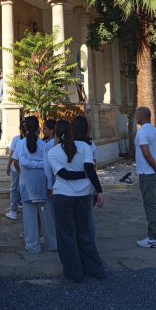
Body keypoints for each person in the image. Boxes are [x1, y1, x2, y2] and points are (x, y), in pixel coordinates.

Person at [45, 119, 105, 283]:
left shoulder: (53, 152)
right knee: (85, 233)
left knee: (66, 235)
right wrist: (99, 190)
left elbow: (64, 174)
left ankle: (74, 272)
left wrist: (81, 175)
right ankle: (94, 268)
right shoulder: (85, 147)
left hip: (63, 195)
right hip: (84, 195)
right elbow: (90, 170)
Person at [13, 116, 57, 254]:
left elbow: (22, 162)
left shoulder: (20, 144)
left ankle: (33, 245)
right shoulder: (43, 145)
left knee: (29, 216)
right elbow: (47, 166)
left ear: (25, 128)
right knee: (47, 215)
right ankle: (52, 243)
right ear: (38, 128)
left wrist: (29, 167)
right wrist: (49, 185)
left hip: (26, 180)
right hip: (41, 180)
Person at [134, 106, 156, 248]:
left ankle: (153, 238)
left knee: (151, 206)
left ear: (141, 117)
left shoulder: (141, 132)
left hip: (147, 174)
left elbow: (146, 154)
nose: (136, 118)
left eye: (137, 115)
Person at [5, 120, 27, 221]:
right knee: (21, 188)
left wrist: (8, 165)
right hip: (26, 168)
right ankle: (18, 206)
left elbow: (13, 155)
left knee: (14, 188)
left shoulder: (17, 139)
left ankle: (13, 210)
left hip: (17, 168)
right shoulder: (37, 141)